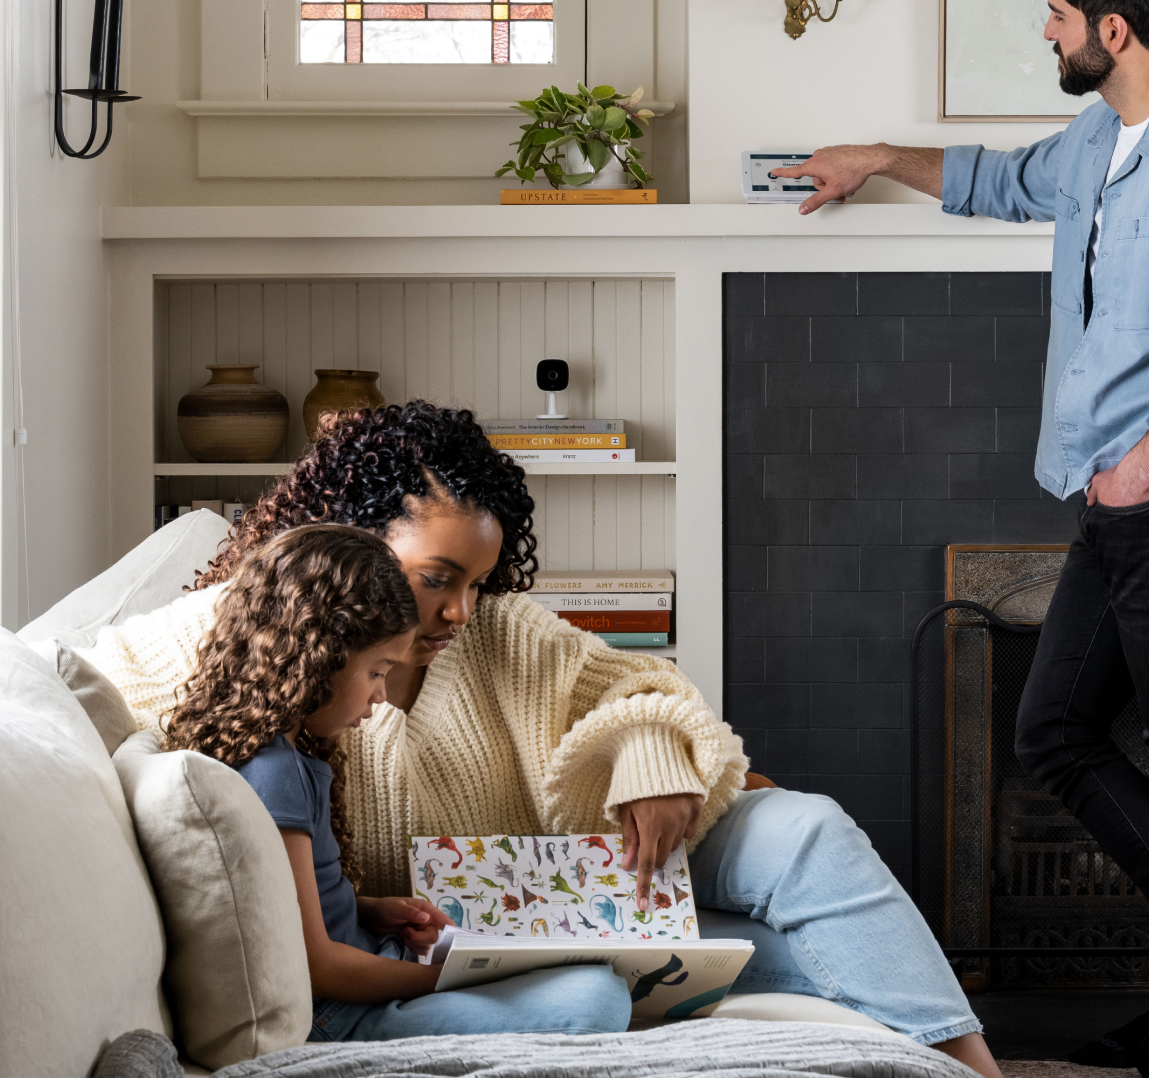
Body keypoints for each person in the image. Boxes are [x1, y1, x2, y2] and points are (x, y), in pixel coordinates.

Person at [775, 0, 1149, 1078]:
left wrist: (1142, 470)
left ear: (1112, 28)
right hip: (1121, 503)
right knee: (1053, 730)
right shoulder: (1099, 139)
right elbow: (998, 180)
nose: (1048, 34)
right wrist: (874, 156)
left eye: (1058, 17)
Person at [95, 402, 1002, 1076]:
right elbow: (106, 685)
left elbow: (648, 685)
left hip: (557, 890)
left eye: (477, 583)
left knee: (805, 829)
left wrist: (647, 756)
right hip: (439, 945)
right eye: (436, 578)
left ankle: (970, 1068)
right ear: (348, 541)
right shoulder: (239, 631)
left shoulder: (496, 628)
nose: (457, 611)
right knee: (791, 964)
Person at [165, 523, 634, 1040]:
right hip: (338, 1012)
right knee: (598, 998)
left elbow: (286, 906)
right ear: (319, 657)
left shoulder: (287, 751)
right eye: (377, 671)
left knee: (586, 971)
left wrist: (367, 911)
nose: (382, 695)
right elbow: (320, 966)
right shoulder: (272, 771)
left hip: (364, 964)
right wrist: (445, 980)